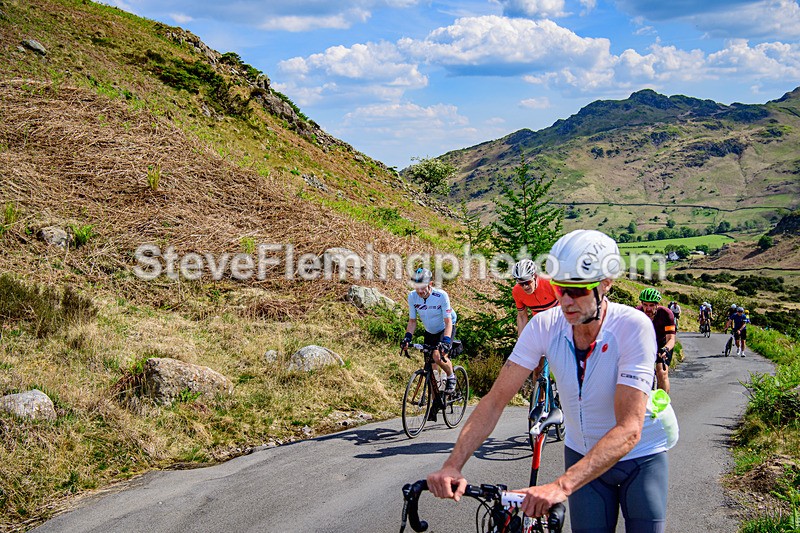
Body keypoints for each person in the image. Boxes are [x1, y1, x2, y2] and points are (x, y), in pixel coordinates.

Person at [427, 230, 674, 533]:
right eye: (560, 289)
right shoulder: (544, 325)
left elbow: (629, 429)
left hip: (640, 457)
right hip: (581, 452)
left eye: (579, 291)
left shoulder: (632, 327)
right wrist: (453, 463)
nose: (567, 301)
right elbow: (494, 401)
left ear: (606, 285)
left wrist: (560, 485)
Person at [401, 267, 458, 392]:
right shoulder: (412, 297)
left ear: (430, 284)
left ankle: (451, 376)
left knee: (438, 357)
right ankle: (435, 401)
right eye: (417, 287)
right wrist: (407, 337)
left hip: (445, 327)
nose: (420, 291)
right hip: (430, 331)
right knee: (431, 368)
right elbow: (412, 321)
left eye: (423, 286)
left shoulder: (441, 296)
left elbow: (448, 322)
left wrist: (447, 341)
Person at [637, 289, 677, 394]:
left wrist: (666, 349)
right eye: (645, 305)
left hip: (662, 344)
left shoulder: (666, 314)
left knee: (662, 372)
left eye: (651, 305)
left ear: (657, 305)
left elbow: (671, 339)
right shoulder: (637, 313)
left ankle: (662, 404)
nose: (648, 309)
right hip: (645, 345)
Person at [512, 258, 559, 336]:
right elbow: (522, 316)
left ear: (535, 276)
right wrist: (520, 340)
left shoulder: (550, 283)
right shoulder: (517, 291)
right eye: (521, 284)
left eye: (527, 282)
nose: (525, 287)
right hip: (541, 326)